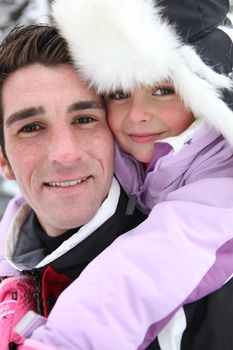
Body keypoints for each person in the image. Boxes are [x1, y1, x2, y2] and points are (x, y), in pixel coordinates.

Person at [1, 0, 233, 349]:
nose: (137, 114)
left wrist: (64, 341)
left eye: (83, 119)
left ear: (200, 94)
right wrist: (12, 278)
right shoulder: (139, 161)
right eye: (120, 93)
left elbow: (143, 271)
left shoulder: (219, 185)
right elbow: (26, 210)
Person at [0, 24, 145, 349]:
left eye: (84, 119)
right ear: (4, 160)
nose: (65, 154)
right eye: (31, 127)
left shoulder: (193, 287)